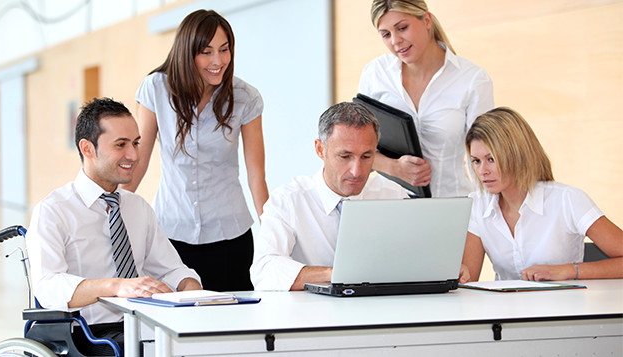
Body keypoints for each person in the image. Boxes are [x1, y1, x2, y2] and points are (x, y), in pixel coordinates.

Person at [26, 97, 202, 355]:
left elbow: (170, 269)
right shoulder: (53, 211)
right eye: (121, 145)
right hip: (86, 334)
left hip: (145, 324)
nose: (133, 155)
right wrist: (116, 286)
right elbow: (49, 286)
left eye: (135, 143)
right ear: (87, 148)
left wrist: (189, 287)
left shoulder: (138, 207)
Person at [123, 9, 267, 291]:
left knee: (233, 326)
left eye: (224, 50)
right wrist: (110, 216)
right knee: (176, 326)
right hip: (171, 237)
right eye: (206, 52)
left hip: (230, 236)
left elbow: (256, 176)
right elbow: (138, 162)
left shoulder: (245, 98)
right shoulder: (156, 89)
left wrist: (275, 236)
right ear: (187, 53)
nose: (218, 61)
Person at [250, 102, 409, 291]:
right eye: (345, 156)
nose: (356, 171)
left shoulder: (394, 195)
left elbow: (420, 256)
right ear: (320, 149)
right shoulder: (288, 201)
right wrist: (335, 274)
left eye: (366, 157)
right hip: (312, 316)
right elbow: (264, 270)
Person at [459, 107, 623, 282]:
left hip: (564, 307)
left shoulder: (567, 200)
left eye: (491, 159)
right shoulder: (477, 204)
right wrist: (458, 274)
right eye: (476, 161)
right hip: (505, 308)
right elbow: (468, 281)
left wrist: (568, 271)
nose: (482, 171)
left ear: (517, 155)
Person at [358, 0, 494, 197]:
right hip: (387, 207)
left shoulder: (473, 80)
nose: (395, 41)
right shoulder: (375, 74)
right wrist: (394, 167)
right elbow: (356, 148)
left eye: (402, 28)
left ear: (427, 20)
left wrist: (488, 216)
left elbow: (486, 156)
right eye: (386, 34)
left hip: (451, 205)